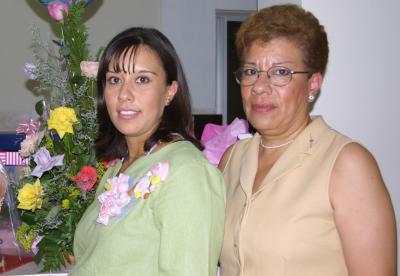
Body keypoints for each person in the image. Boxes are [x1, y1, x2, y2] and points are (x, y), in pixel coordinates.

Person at [218, 4, 397, 276]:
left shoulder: (348, 165)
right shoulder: (232, 158)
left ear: (313, 83)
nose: (260, 87)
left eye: (280, 72)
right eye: (251, 71)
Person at [71, 27, 226, 276]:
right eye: (115, 80)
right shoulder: (119, 166)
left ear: (169, 91)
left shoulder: (186, 173)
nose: (124, 94)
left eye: (142, 79)